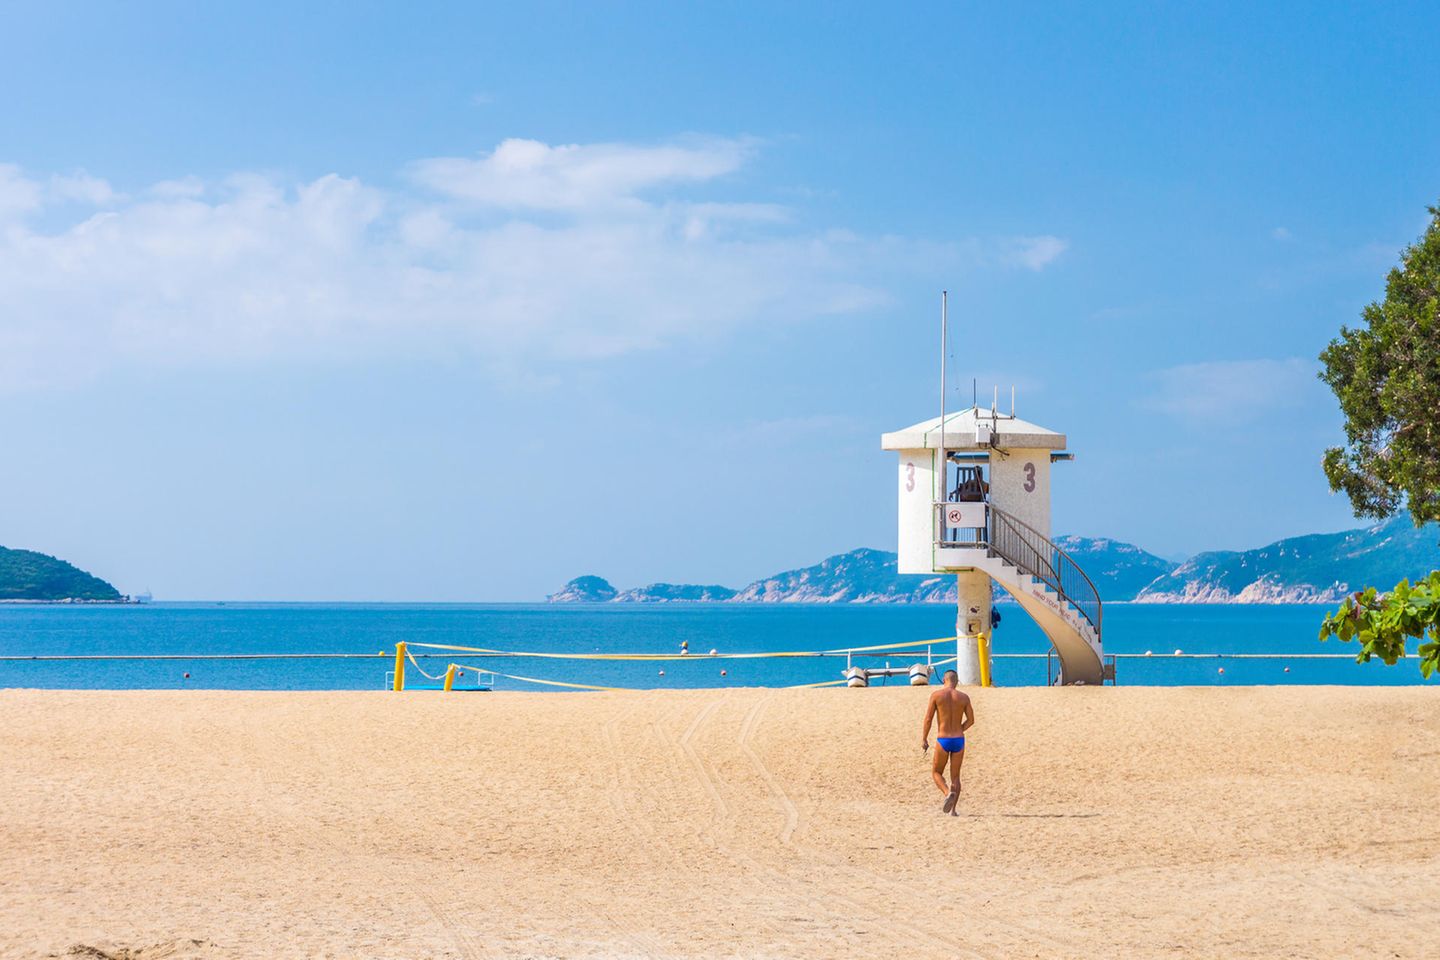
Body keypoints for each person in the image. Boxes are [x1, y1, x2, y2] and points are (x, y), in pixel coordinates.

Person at [921, 669, 974, 814]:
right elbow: (971, 720)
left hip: (943, 739)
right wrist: (960, 729)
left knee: (936, 772)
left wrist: (924, 738)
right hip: (958, 740)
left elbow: (928, 719)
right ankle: (953, 810)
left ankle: (946, 793)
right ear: (956, 682)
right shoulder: (963, 697)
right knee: (955, 776)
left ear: (944, 680)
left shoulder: (936, 695)